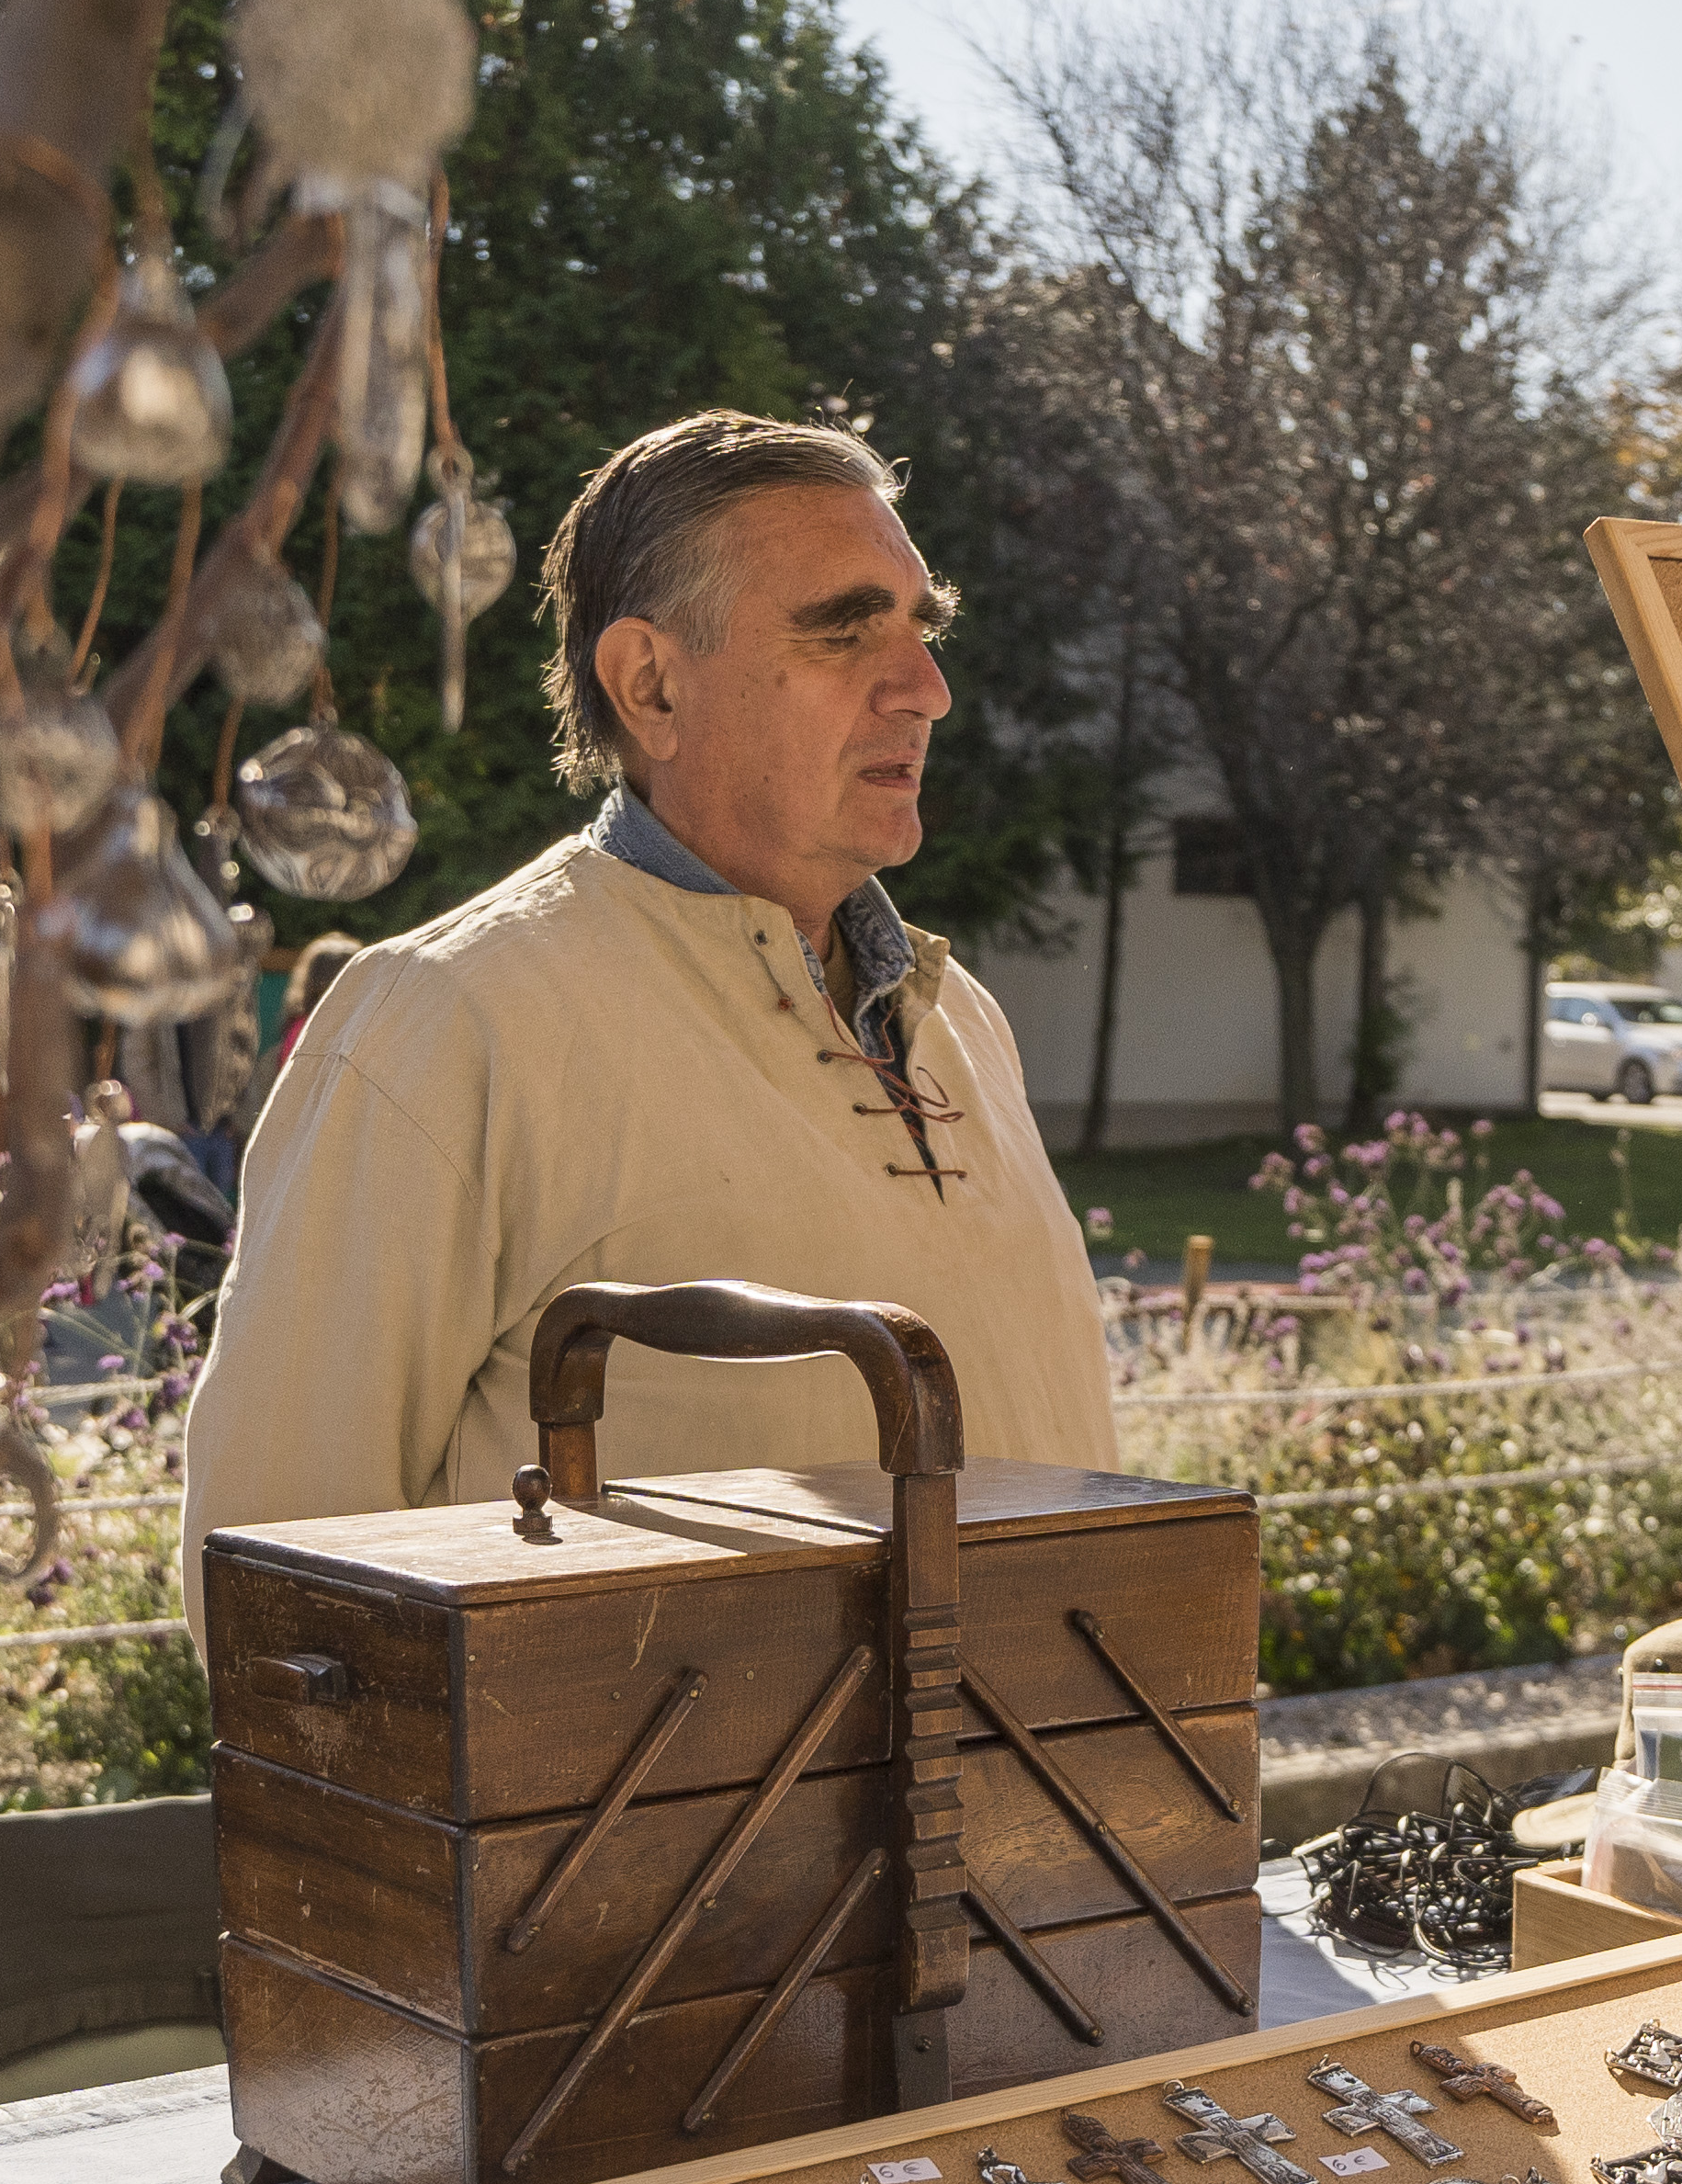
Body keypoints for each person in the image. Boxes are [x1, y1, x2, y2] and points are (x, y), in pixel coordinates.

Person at [177, 411, 1114, 1586]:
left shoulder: (963, 1017)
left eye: (923, 633)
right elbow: (277, 1598)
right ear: (650, 684)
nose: (925, 689)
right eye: (842, 632)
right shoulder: (447, 1019)